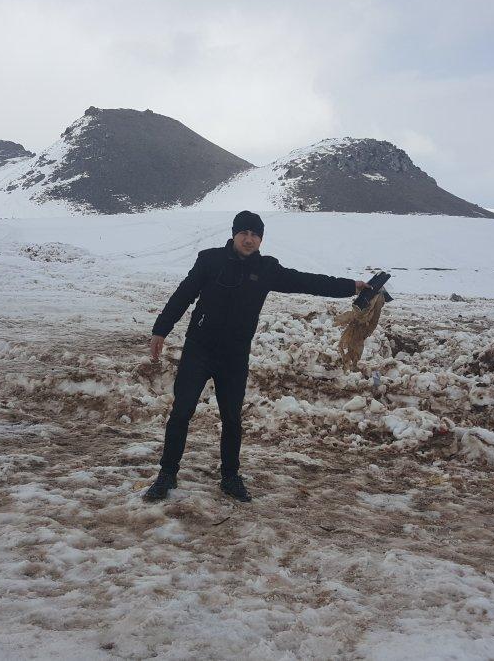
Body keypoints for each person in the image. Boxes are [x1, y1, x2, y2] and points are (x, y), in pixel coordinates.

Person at [144, 210, 366, 502]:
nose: (249, 239)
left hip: (234, 355)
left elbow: (307, 282)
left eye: (255, 235)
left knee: (232, 418)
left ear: (261, 239)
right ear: (234, 233)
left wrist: (351, 286)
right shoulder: (209, 260)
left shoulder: (267, 269)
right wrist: (161, 329)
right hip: (200, 348)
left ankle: (230, 477)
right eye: (244, 233)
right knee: (182, 412)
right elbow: (183, 294)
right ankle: (166, 475)